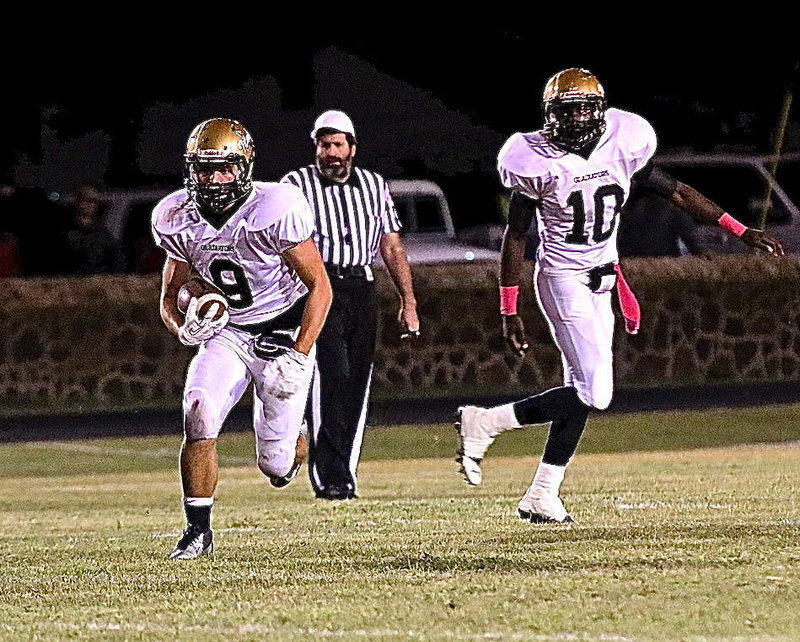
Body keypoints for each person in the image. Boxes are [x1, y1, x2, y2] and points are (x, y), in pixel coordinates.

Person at [455, 68, 784, 524]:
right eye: (566, 111)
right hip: (563, 278)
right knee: (596, 393)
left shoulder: (622, 142)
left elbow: (681, 195)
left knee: (583, 389)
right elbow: (516, 237)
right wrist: (509, 306)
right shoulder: (533, 157)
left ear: (599, 109)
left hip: (604, 278)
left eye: (583, 108)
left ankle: (542, 493)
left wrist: (739, 228)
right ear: (551, 115)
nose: (576, 118)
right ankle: (485, 422)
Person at [152, 117, 332, 559]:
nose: (213, 179)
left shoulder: (275, 206)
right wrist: (185, 326)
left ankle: (294, 438)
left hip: (282, 332)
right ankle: (197, 532)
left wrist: (299, 352)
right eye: (204, 168)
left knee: (277, 467)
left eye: (224, 168)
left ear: (244, 167)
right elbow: (172, 294)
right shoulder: (175, 216)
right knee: (197, 411)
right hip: (229, 333)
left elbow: (320, 288)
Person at [281, 110, 419, 500]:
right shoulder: (296, 184)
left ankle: (343, 472)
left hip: (361, 286)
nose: (330, 152)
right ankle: (328, 474)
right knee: (332, 376)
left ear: (352, 148)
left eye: (337, 144)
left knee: (357, 380)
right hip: (319, 288)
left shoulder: (374, 185)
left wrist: (408, 301)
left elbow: (391, 246)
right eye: (323, 145)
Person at [59, 183, 126, 275]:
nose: (89, 205)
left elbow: (117, 263)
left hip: (98, 283)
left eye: (93, 201)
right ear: (77, 202)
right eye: (86, 200)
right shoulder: (64, 232)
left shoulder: (104, 235)